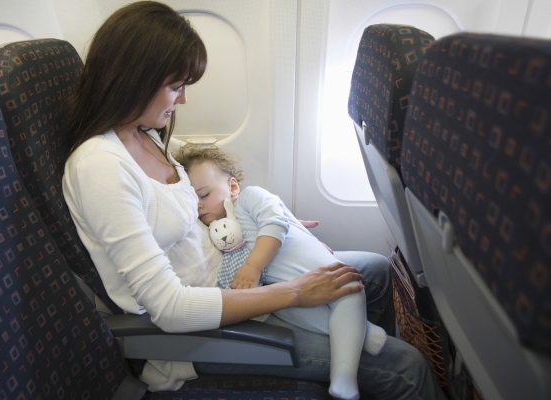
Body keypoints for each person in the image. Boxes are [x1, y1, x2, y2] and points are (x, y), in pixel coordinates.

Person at [61, 1, 445, 399]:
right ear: (134, 79)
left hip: (234, 272)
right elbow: (170, 308)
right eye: (176, 86)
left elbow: (201, 207)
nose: (185, 100)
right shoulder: (99, 168)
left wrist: (278, 226)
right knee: (406, 367)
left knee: (376, 272)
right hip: (205, 327)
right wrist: (295, 292)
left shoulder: (145, 134)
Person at [175, 144, 387, 400]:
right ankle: (361, 332)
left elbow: (275, 223)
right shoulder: (219, 227)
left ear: (232, 187)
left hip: (315, 269)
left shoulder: (250, 197)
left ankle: (344, 375)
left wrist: (253, 266)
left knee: (349, 291)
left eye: (204, 194)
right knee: (286, 309)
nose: (198, 206)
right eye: (191, 199)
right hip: (284, 285)